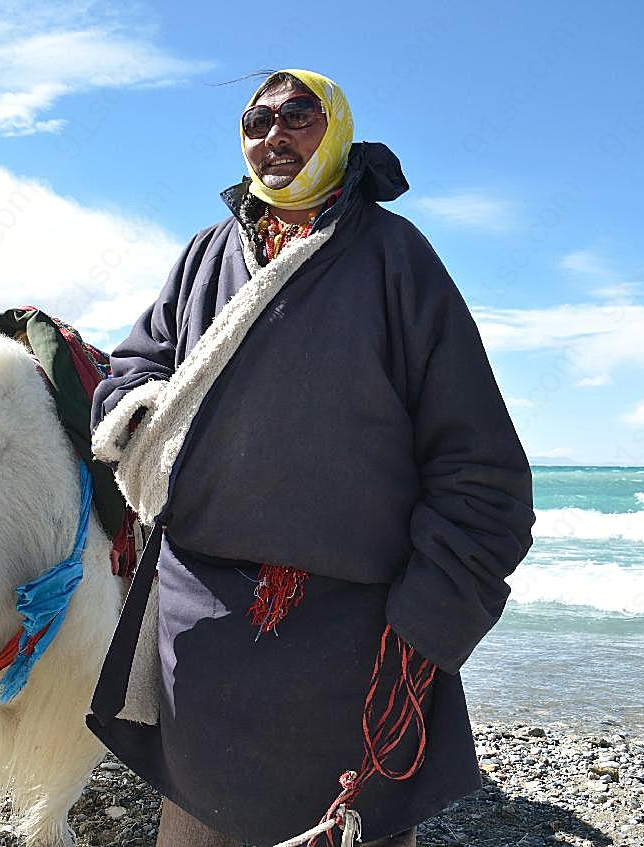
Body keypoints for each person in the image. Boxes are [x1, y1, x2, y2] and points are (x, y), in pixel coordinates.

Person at [85, 69, 536, 847]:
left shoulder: (397, 258)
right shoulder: (204, 256)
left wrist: (427, 621)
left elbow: (481, 471)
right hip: (204, 636)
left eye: (299, 114)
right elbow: (132, 373)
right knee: (197, 824)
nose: (275, 134)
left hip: (350, 645)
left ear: (338, 130)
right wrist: (145, 422)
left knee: (349, 827)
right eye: (257, 120)